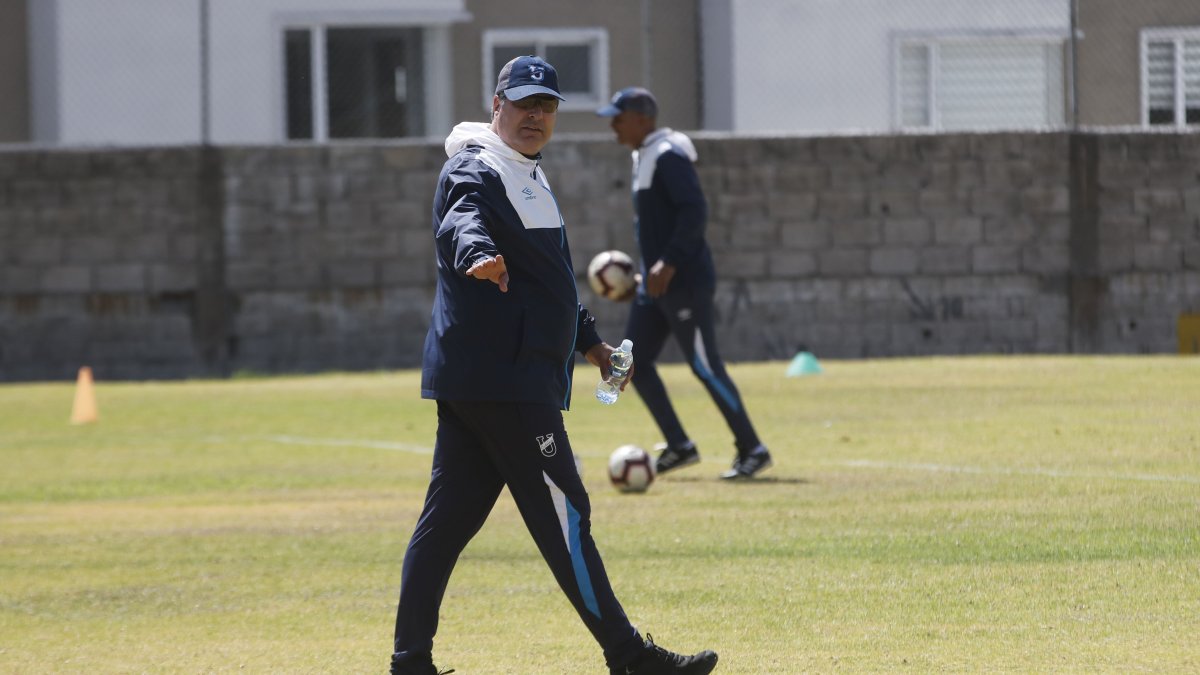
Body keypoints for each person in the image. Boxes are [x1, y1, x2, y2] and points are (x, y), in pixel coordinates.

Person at [390, 57, 719, 675]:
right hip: (504, 379)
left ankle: (410, 663)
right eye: (524, 104)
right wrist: (478, 251)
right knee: (568, 515)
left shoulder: (529, 175)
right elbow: (459, 217)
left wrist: (592, 345)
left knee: (446, 524)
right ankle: (628, 657)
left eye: (546, 107)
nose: (535, 116)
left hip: (492, 377)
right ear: (497, 105)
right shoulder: (475, 165)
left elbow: (552, 284)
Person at [596, 87, 773, 480]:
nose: (612, 125)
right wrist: (647, 272)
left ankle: (753, 449)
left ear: (642, 119)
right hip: (655, 286)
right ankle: (679, 445)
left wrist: (668, 263)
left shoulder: (668, 155)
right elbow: (658, 225)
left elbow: (694, 212)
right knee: (628, 365)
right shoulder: (643, 155)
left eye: (618, 117)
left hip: (684, 282)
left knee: (705, 366)